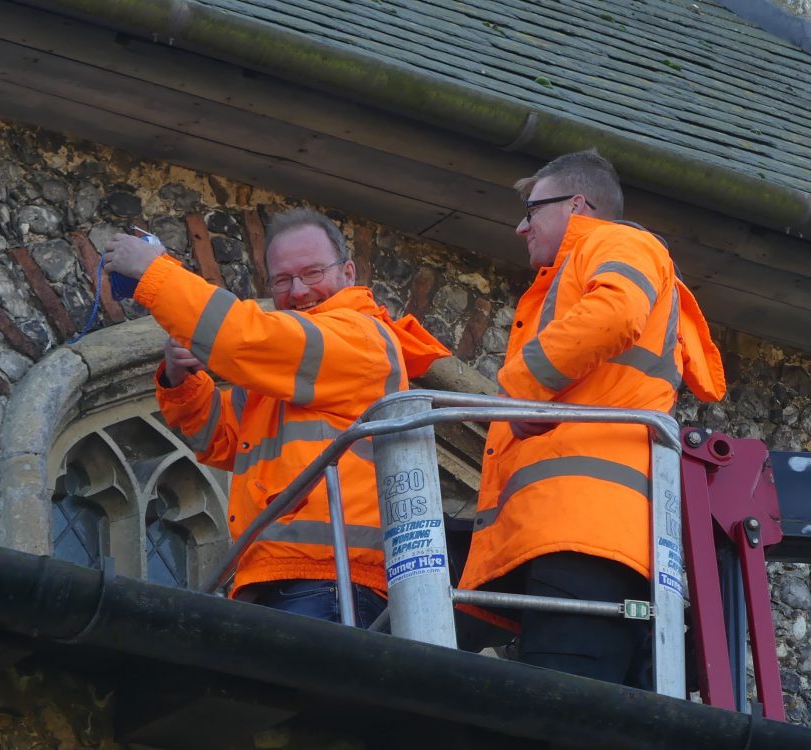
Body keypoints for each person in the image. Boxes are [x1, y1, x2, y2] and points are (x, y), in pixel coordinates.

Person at [104, 208, 450, 626]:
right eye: (283, 280)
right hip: (279, 578)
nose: (299, 290)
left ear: (348, 273)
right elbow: (220, 440)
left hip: (330, 579)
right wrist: (183, 379)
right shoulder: (287, 367)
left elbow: (243, 338)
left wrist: (153, 273)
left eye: (312, 273)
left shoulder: (358, 334)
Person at [458, 150, 726, 686]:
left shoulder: (617, 241)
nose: (521, 226)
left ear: (577, 205)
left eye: (532, 210)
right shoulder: (587, 264)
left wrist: (517, 390)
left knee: (556, 712)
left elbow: (617, 312)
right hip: (582, 531)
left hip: (583, 529)